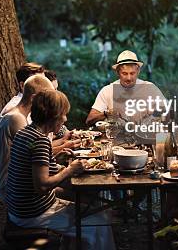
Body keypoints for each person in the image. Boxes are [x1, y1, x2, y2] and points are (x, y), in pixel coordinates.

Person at [6, 90, 115, 250]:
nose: (65, 119)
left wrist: (59, 163)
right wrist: (69, 170)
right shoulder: (40, 141)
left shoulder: (26, 133)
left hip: (19, 207)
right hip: (33, 213)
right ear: (54, 116)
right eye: (64, 114)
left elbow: (34, 168)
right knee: (101, 222)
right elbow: (42, 186)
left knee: (91, 208)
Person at [0, 74, 54, 200]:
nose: (49, 102)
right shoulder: (17, 118)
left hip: (15, 180)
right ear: (34, 98)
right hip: (10, 184)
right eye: (46, 98)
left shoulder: (19, 115)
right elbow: (33, 150)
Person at [85, 50, 166, 126]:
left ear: (138, 71)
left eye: (132, 73)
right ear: (117, 72)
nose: (129, 78)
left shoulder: (149, 88)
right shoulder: (108, 90)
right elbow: (89, 120)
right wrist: (106, 114)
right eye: (124, 73)